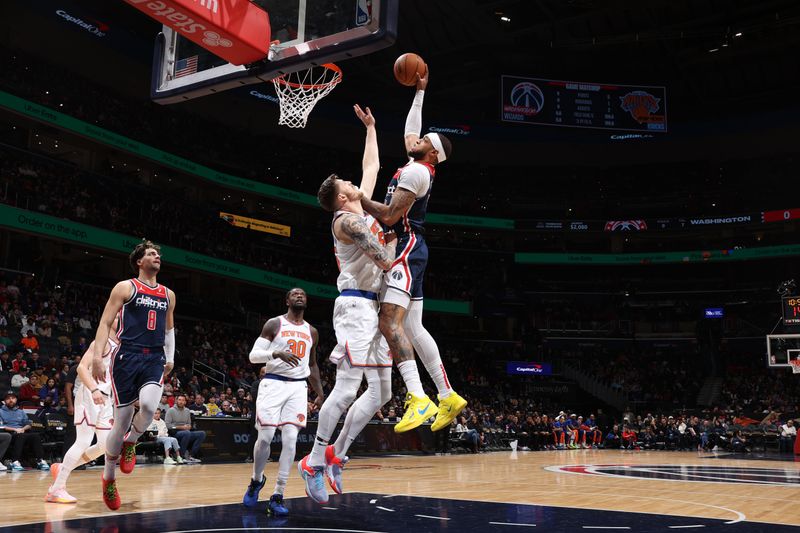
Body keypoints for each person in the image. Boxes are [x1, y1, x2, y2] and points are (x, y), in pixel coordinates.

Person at [298, 105, 396, 505]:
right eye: (348, 183)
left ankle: (337, 452)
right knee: (347, 388)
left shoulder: (361, 205)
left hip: (372, 307)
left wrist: (371, 128)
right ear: (342, 196)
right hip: (355, 307)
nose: (357, 182)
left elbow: (370, 164)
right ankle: (314, 460)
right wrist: (403, 255)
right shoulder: (344, 221)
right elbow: (379, 256)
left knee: (384, 391)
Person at [359, 69, 465, 434]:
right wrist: (420, 92)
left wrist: (359, 200)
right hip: (414, 248)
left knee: (389, 320)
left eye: (422, 140)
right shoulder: (418, 163)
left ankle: (418, 397)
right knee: (415, 327)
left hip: (405, 247)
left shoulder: (417, 173)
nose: (413, 139)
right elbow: (410, 130)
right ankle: (448, 394)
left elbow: (389, 214)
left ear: (431, 151)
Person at [92, 240, 176, 510]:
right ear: (139, 261)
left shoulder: (168, 294)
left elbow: (168, 330)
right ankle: (108, 478)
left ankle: (131, 441)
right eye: (151, 253)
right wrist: (97, 355)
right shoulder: (125, 287)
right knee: (122, 419)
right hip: (126, 355)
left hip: (154, 356)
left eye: (158, 254)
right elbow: (106, 322)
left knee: (150, 407)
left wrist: (171, 357)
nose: (157, 256)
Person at [243, 288, 325, 516]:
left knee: (290, 441)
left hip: (298, 387)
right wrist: (276, 354)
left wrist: (320, 392)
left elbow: (313, 365)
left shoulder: (312, 331)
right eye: (295, 294)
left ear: (306, 302)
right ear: (287, 300)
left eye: (303, 294)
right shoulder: (274, 324)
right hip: (273, 382)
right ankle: (256, 480)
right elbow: (253, 356)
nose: (300, 296)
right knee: (266, 437)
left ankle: (278, 494)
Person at [45, 320, 120, 503]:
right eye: (119, 315)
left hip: (107, 399)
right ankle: (56, 489)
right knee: (84, 440)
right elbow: (81, 368)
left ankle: (62, 467)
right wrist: (94, 389)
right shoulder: (100, 342)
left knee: (105, 446)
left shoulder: (122, 346)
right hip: (90, 394)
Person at [0, 391, 49, 471]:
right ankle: (14, 461)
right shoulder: (1, 411)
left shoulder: (21, 412)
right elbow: (2, 426)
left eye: (13, 398)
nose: (11, 400)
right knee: (21, 436)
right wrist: (15, 429)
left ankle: (40, 461)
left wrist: (23, 429)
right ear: (4, 401)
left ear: (16, 400)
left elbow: (28, 424)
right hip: (9, 433)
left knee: (35, 436)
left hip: (21, 431)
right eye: (8, 398)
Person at [165, 394, 205, 462]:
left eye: (183, 400)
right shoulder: (170, 410)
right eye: (179, 400)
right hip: (174, 432)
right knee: (186, 433)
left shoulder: (187, 411)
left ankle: (191, 456)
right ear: (176, 401)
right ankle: (181, 456)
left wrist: (189, 426)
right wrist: (181, 427)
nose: (181, 402)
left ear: (185, 402)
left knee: (202, 434)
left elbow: (189, 423)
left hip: (186, 432)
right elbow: (167, 425)